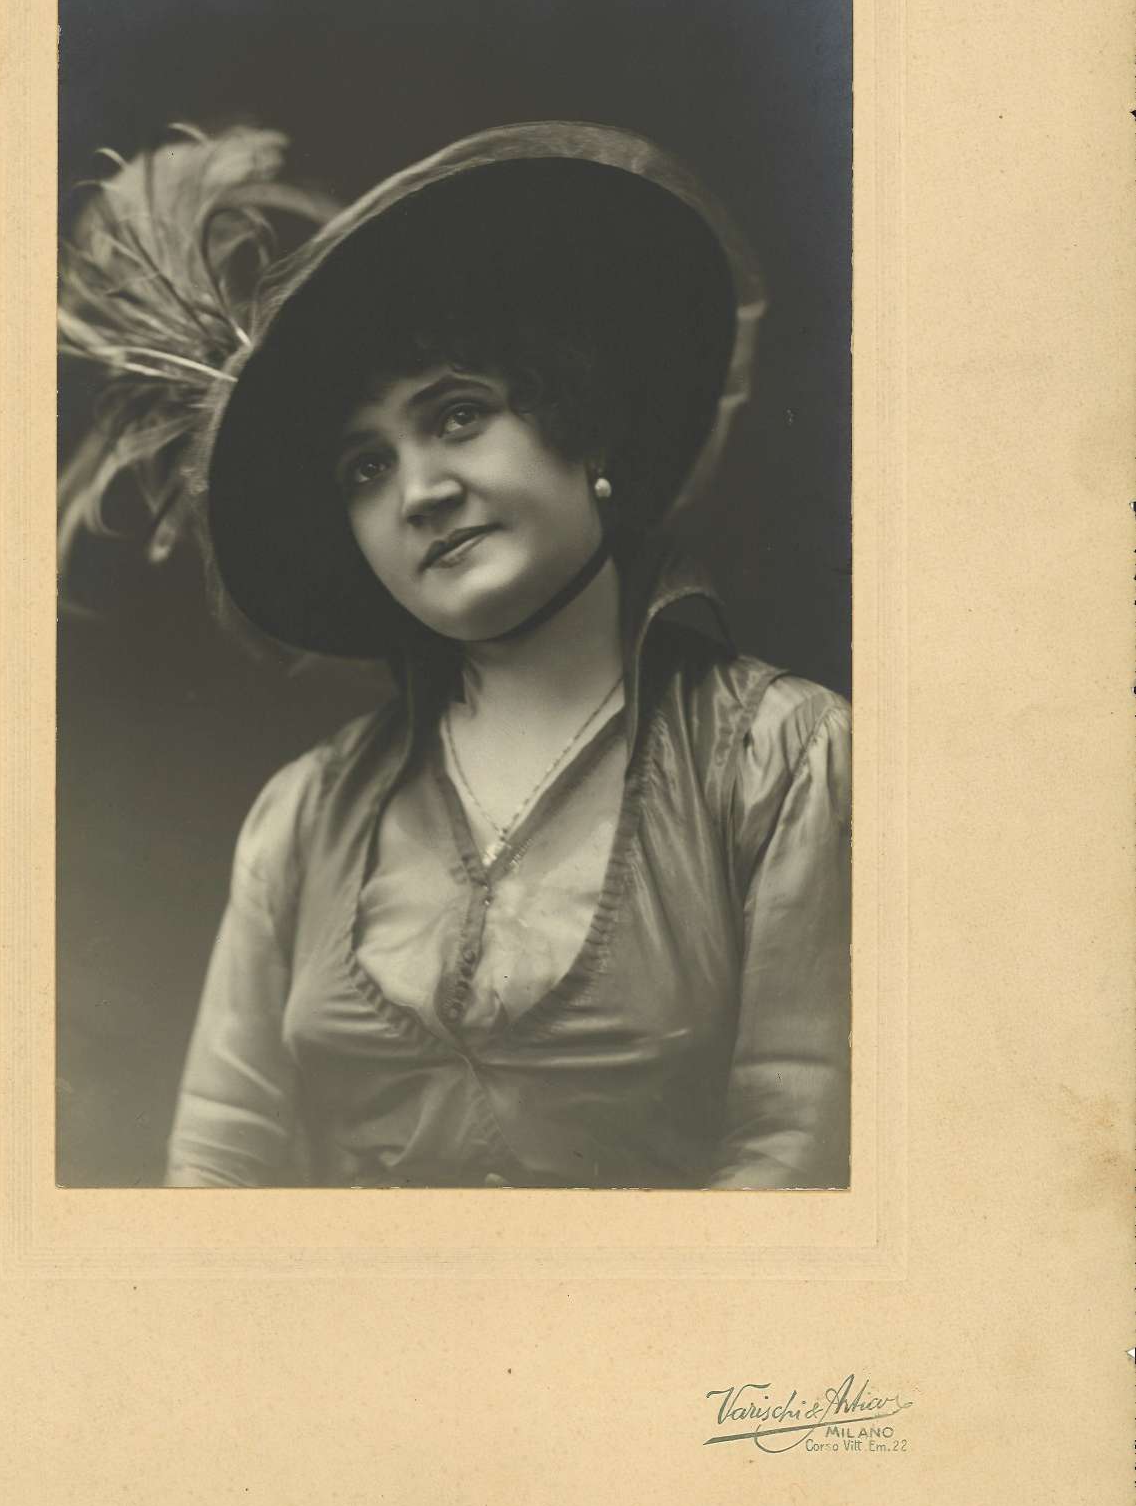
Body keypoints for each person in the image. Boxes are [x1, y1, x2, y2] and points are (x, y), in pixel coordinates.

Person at [58, 119, 851, 1190]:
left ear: (584, 427)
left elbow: (794, 1150)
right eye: (365, 468)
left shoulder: (784, 761)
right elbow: (219, 1157)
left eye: (460, 415)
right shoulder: (302, 816)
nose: (420, 492)